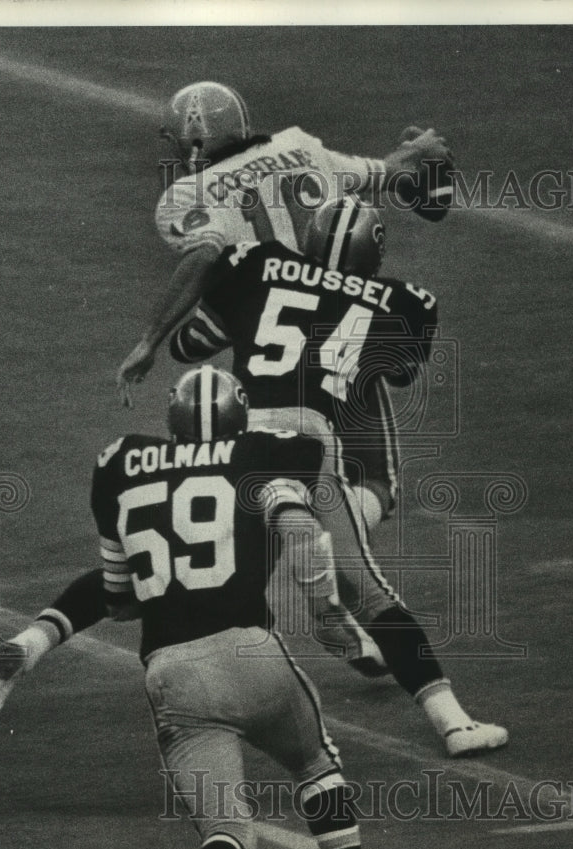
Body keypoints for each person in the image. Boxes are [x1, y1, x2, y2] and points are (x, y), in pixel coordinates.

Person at [167, 194, 508, 758]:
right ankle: (452, 722)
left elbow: (190, 344)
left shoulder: (257, 263)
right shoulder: (406, 300)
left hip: (237, 439)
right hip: (308, 442)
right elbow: (394, 373)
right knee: (371, 590)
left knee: (219, 574)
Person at [99, 366, 394, 849]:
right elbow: (300, 530)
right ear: (243, 416)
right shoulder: (267, 452)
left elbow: (119, 599)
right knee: (317, 768)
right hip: (251, 653)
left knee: (228, 831)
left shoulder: (118, 464)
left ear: (170, 421)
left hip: (171, 674)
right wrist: (329, 615)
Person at [118, 79, 455, 528]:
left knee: (247, 483)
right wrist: (421, 155)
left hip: (262, 338)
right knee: (373, 485)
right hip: (343, 334)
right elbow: (384, 174)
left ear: (195, 141)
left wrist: (150, 340)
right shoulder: (300, 147)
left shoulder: (184, 197)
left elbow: (205, 253)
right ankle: (335, 562)